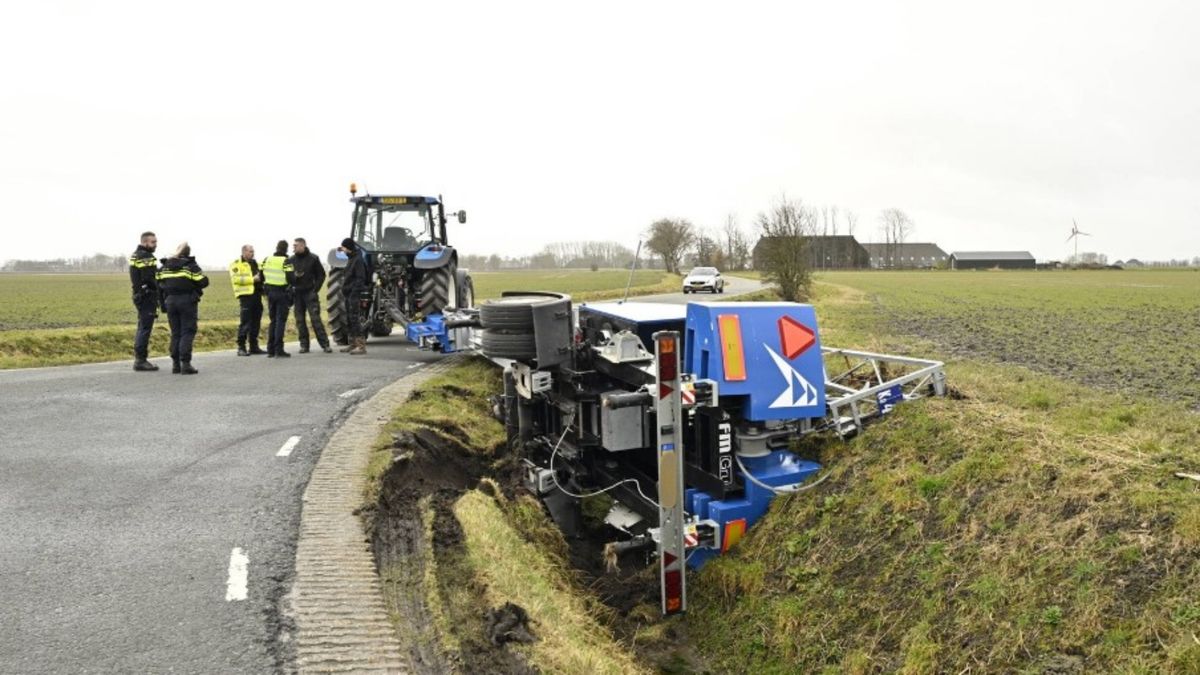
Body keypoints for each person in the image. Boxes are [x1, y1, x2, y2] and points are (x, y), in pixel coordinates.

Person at [156, 242, 209, 375]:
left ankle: (175, 365)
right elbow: (203, 281)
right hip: (187, 301)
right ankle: (185, 364)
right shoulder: (190, 266)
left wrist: (163, 304)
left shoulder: (165, 266)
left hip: (170, 301)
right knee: (187, 331)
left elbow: (158, 284)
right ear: (188, 253)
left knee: (176, 332)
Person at [289, 237, 331, 354]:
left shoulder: (313, 258)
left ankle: (325, 345)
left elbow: (321, 275)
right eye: (293, 245)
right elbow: (287, 276)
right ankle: (304, 345)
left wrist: (315, 289)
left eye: (296, 245)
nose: (293, 247)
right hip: (297, 294)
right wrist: (294, 278)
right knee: (300, 321)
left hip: (309, 293)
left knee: (315, 319)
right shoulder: (290, 260)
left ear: (303, 245)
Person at [129, 231, 160, 372]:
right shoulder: (146, 256)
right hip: (147, 296)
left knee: (142, 326)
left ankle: (139, 358)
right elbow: (149, 278)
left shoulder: (136, 255)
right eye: (153, 242)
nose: (155, 244)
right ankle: (140, 360)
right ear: (144, 242)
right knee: (145, 328)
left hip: (139, 295)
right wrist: (160, 288)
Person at [261, 240, 295, 358]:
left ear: (276, 248)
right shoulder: (286, 261)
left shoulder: (267, 260)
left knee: (273, 320)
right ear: (286, 249)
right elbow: (291, 279)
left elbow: (261, 276)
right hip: (282, 293)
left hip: (270, 293)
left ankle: (270, 350)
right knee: (280, 321)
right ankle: (278, 349)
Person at [229, 244, 265, 356]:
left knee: (256, 322)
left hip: (257, 295)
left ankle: (254, 346)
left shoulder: (256, 263)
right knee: (245, 322)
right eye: (250, 251)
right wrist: (253, 279)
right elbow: (236, 279)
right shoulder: (236, 264)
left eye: (253, 251)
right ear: (244, 252)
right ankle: (241, 347)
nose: (252, 253)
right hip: (245, 296)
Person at [339, 237, 369, 355]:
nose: (343, 250)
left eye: (344, 247)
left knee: (354, 319)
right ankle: (353, 344)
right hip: (348, 294)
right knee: (349, 319)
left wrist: (353, 293)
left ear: (348, 248)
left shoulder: (358, 260)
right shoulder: (351, 258)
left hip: (353, 294)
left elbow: (360, 279)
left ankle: (361, 346)